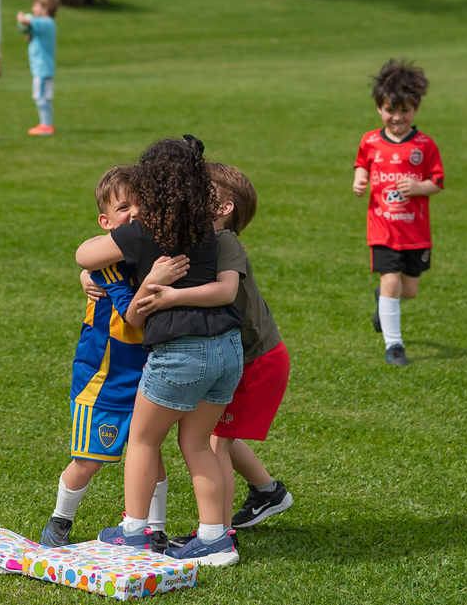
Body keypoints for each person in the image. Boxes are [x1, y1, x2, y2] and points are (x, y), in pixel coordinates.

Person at [76, 136, 243, 567]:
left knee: (144, 440)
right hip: (227, 349)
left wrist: (89, 272)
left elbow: (85, 253)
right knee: (198, 444)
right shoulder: (206, 229)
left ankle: (134, 532)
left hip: (180, 353)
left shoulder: (141, 231)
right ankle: (214, 540)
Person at [134, 163, 293, 538]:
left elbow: (223, 294)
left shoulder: (225, 244)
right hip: (239, 357)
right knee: (213, 435)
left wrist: (171, 296)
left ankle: (218, 534)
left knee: (212, 441)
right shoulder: (204, 242)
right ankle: (267, 492)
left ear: (224, 209)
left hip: (256, 360)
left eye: (203, 192)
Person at [41, 166, 186, 552]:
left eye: (141, 205)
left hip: (145, 374)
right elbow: (132, 318)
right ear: (106, 222)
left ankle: (154, 531)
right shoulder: (107, 262)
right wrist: (155, 280)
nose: (134, 213)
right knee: (89, 459)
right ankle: (59, 521)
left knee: (150, 451)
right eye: (124, 208)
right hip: (102, 379)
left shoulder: (150, 250)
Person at [353, 59, 444, 366]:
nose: (397, 117)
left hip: (415, 232)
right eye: (390, 110)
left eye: (404, 111)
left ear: (415, 110)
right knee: (391, 279)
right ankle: (394, 346)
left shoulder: (424, 145)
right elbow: (362, 164)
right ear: (380, 108)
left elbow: (437, 182)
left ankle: (384, 300)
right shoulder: (370, 141)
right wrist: (360, 179)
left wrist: (418, 188)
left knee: (409, 291)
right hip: (383, 227)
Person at [17, 0, 58, 136]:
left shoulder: (46, 23)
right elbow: (28, 34)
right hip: (42, 68)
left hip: (42, 68)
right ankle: (46, 124)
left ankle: (46, 126)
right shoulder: (44, 24)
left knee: (41, 97)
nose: (33, 8)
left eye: (36, 5)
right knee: (43, 97)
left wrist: (22, 17)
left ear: (45, 8)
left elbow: (27, 21)